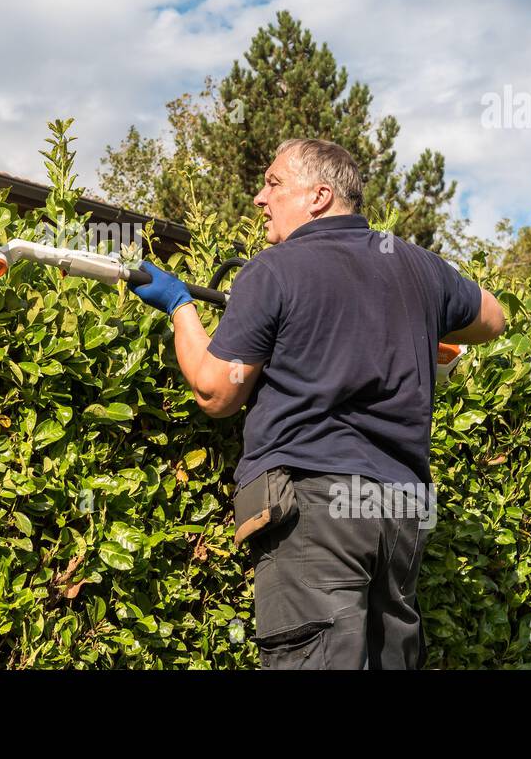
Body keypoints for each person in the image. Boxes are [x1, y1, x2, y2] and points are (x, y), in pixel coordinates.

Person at [129, 138, 506, 669]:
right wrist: (424, 321)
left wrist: (180, 306)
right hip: (400, 507)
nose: (260, 198)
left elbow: (216, 391)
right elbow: (493, 317)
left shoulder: (275, 269)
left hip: (316, 502)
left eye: (274, 183)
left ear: (319, 196)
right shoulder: (418, 266)